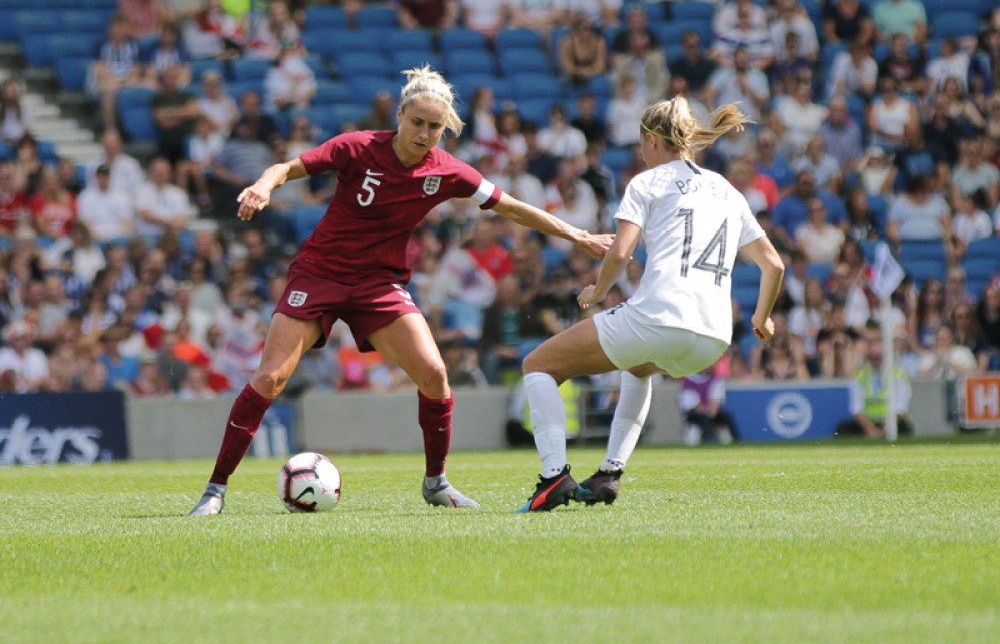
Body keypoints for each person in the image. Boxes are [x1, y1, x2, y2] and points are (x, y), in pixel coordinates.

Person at [188, 66, 614, 516]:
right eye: (418, 122)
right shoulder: (357, 147)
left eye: (435, 127)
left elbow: (513, 209)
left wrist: (579, 237)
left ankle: (436, 483)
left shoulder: (447, 171)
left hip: (379, 283)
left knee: (434, 375)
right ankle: (215, 490)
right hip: (320, 274)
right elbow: (288, 167)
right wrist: (261, 186)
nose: (425, 133)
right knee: (270, 378)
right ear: (400, 115)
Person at [515, 96, 784, 512]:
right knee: (638, 367)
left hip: (661, 316)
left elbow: (620, 254)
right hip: (713, 338)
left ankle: (554, 477)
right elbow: (774, 265)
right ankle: (609, 473)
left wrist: (597, 292)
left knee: (538, 365)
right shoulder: (728, 190)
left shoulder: (647, 182)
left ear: (651, 140)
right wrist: (762, 318)